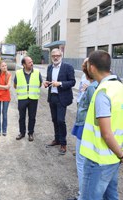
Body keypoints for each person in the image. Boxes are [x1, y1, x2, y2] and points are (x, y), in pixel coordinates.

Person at [80, 50, 123, 200]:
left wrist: (121, 154)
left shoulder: (103, 92)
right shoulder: (119, 87)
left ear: (91, 67)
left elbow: (106, 133)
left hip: (98, 160)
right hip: (112, 159)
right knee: (111, 196)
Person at [67, 58, 98, 200]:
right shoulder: (97, 85)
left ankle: (83, 195)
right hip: (86, 126)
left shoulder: (92, 87)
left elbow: (95, 111)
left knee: (82, 163)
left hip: (85, 127)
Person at [43, 48, 76, 155]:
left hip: (62, 98)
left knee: (61, 120)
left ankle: (63, 143)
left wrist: (60, 83)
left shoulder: (68, 67)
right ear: (51, 57)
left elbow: (72, 82)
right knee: (54, 119)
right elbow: (49, 81)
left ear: (61, 56)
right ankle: (56, 139)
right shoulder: (49, 67)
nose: (55, 57)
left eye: (57, 55)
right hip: (52, 97)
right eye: (53, 56)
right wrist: (46, 83)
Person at [14, 56, 42, 142]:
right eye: (29, 62)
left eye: (32, 61)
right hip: (22, 98)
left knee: (32, 117)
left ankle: (30, 133)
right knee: (21, 117)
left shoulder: (37, 72)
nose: (32, 63)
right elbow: (15, 85)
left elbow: (40, 83)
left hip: (33, 98)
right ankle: (22, 133)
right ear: (24, 64)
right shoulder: (18, 73)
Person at [0, 61, 12, 136]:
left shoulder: (9, 74)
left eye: (5, 65)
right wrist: (4, 87)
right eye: (3, 66)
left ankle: (4, 130)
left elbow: (9, 86)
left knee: (4, 114)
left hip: (6, 96)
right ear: (0, 67)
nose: (5, 67)